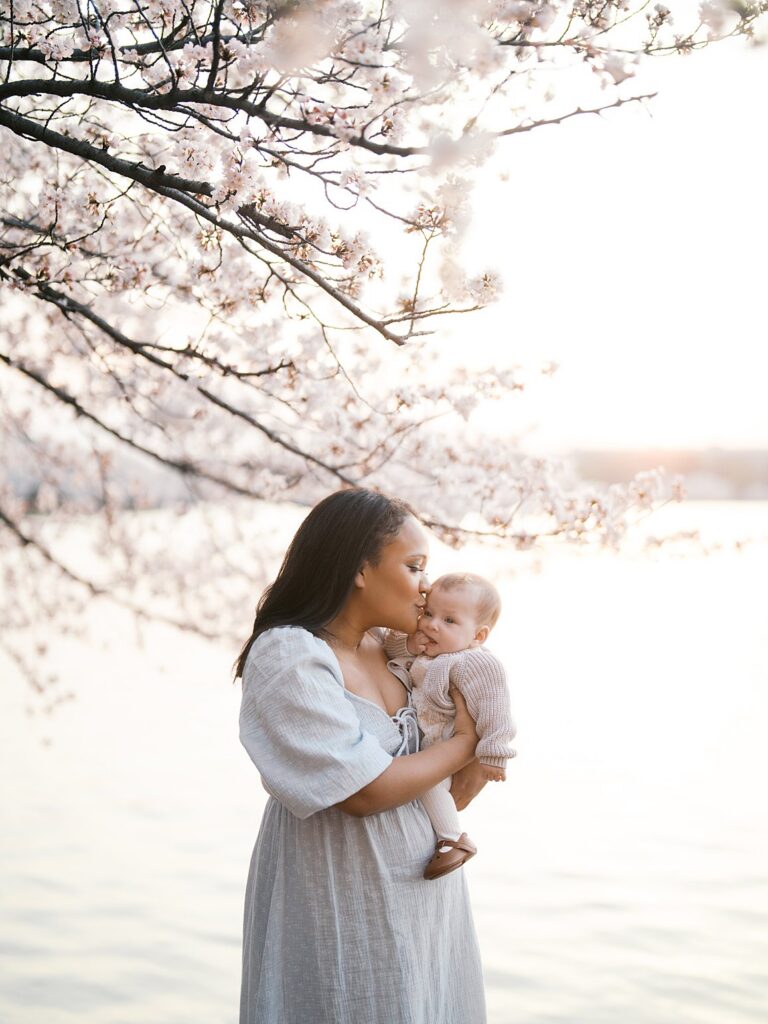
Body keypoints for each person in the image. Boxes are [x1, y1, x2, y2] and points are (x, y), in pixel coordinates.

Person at [235, 488, 488, 1024]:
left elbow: (456, 788)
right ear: (359, 569)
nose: (427, 587)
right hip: (340, 897)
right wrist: (465, 743)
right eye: (415, 566)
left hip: (426, 903)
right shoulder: (291, 653)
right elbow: (362, 791)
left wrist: (477, 737)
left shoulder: (397, 652)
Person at [383, 573, 516, 881]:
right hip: (431, 741)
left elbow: (495, 709)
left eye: (449, 621)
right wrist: (409, 641)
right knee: (426, 784)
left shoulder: (474, 662)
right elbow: (392, 651)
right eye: (428, 614)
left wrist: (494, 754)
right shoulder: (433, 650)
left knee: (429, 783)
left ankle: (454, 840)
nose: (432, 625)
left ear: (478, 636)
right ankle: (448, 838)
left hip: (444, 739)